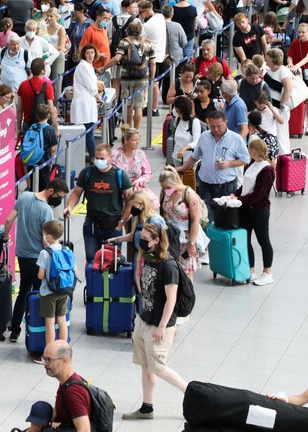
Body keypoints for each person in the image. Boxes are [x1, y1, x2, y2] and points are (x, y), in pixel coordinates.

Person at [122, 223, 188, 421]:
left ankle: (190, 392)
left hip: (160, 326)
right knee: (145, 365)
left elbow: (172, 299)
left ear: (157, 240)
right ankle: (146, 407)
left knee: (158, 367)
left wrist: (161, 326)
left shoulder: (168, 265)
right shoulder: (148, 258)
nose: (141, 241)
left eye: (146, 238)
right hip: (144, 320)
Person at [2, 179, 68, 344]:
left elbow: (9, 219)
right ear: (51, 191)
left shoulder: (24, 196)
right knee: (39, 295)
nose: (59, 200)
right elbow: (47, 240)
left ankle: (15, 330)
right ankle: (36, 329)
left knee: (23, 291)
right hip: (39, 258)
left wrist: (5, 237)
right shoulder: (46, 211)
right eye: (59, 196)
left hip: (22, 255)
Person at [65, 144, 130, 262]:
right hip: (92, 225)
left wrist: (121, 223)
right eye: (97, 158)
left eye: (102, 158)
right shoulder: (87, 173)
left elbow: (130, 200)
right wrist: (69, 207)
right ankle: (92, 280)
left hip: (113, 225)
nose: (99, 161)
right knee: (91, 260)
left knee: (112, 261)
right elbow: (76, 193)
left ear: (110, 158)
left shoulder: (119, 175)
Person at [177, 111, 251, 211]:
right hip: (205, 185)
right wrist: (182, 168)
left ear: (226, 122)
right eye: (212, 126)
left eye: (219, 126)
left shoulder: (236, 139)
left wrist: (229, 164)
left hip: (226, 186)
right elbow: (195, 156)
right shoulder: (204, 136)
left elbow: (245, 160)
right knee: (205, 217)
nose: (215, 129)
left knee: (224, 218)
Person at [233, 138, 276, 286]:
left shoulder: (267, 169)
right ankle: (251, 270)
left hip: (259, 210)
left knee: (263, 239)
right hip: (245, 208)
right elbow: (245, 186)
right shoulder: (252, 164)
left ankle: (267, 272)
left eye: (249, 149)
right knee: (245, 239)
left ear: (253, 151)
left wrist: (239, 200)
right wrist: (235, 194)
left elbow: (259, 194)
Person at [159, 166, 206, 275]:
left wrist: (192, 243)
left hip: (186, 237)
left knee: (186, 271)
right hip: (170, 235)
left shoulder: (189, 194)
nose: (166, 190)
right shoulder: (165, 192)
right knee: (170, 270)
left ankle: (187, 292)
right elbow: (162, 212)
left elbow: (195, 220)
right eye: (164, 187)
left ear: (175, 181)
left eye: (168, 187)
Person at [42, 340, 91, 431]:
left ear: (65, 360)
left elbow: (84, 429)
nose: (44, 363)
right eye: (44, 359)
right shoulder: (66, 382)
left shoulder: (73, 392)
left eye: (48, 359)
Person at [36, 220, 69, 346]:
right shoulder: (66, 249)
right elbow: (74, 270)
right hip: (64, 290)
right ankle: (63, 348)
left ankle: (50, 350)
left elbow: (40, 275)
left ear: (48, 237)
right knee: (62, 320)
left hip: (48, 292)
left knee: (49, 322)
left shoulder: (44, 253)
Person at [110, 125, 157, 208]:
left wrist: (139, 180)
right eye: (135, 140)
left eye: (139, 140)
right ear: (125, 140)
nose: (138, 142)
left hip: (136, 191)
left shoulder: (141, 154)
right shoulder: (114, 154)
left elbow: (147, 173)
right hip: (117, 191)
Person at [72, 45, 102, 160]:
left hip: (86, 102)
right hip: (84, 103)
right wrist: (99, 97)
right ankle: (94, 157)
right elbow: (91, 86)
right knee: (88, 133)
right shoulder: (84, 66)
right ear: (84, 54)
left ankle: (92, 157)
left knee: (88, 132)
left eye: (92, 53)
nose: (90, 56)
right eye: (88, 53)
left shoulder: (88, 66)